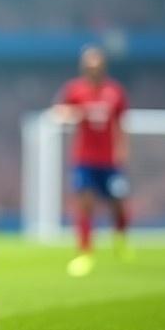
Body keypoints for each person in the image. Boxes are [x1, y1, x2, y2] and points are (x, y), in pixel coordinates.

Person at [52, 46, 130, 277]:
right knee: (85, 202)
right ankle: (85, 251)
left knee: (118, 203)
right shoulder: (75, 90)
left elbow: (121, 123)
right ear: (84, 68)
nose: (93, 69)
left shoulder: (115, 92)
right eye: (89, 66)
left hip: (109, 161)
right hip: (84, 159)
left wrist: (122, 149)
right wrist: (71, 114)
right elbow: (59, 111)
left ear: (103, 67)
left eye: (96, 66)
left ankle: (120, 239)